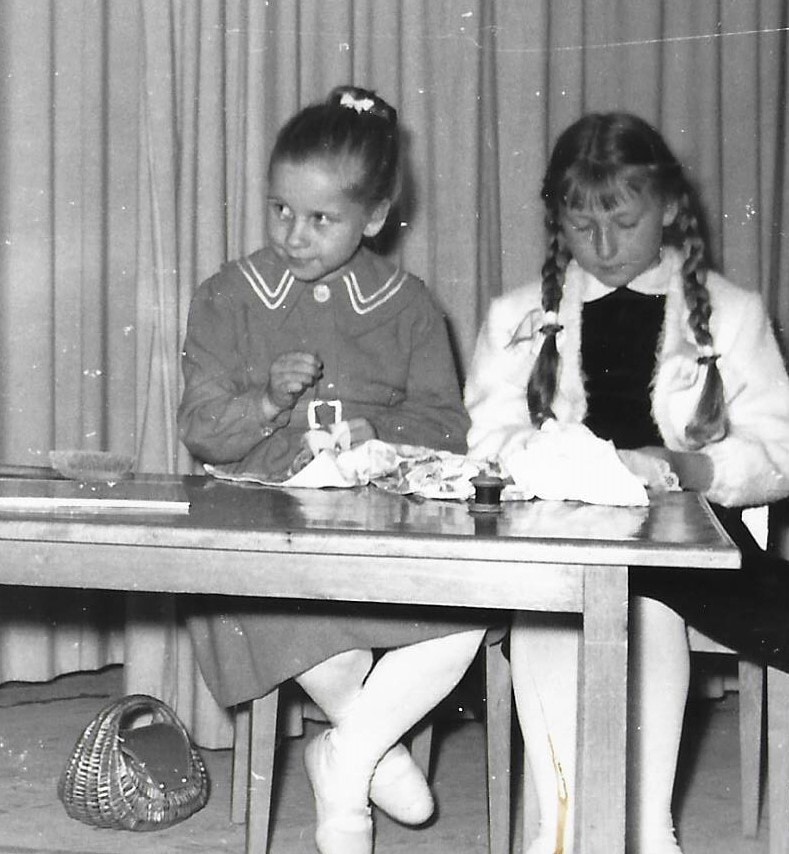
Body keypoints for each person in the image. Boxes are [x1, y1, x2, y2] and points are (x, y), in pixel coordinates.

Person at [465, 112, 789, 854]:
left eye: (622, 221)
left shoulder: (733, 315)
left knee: (631, 600)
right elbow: (487, 440)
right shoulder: (516, 317)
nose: (603, 247)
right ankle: (566, 830)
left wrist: (688, 467)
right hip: (562, 534)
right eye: (581, 226)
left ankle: (640, 827)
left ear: (669, 208)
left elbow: (775, 451)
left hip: (691, 539)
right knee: (570, 601)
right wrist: (573, 462)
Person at [177, 84, 488, 854]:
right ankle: (361, 760)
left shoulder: (408, 306)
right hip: (264, 529)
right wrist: (263, 402)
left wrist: (375, 426)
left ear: (374, 217)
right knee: (293, 613)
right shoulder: (226, 296)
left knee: (468, 616)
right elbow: (200, 433)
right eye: (280, 209)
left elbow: (449, 428)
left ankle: (344, 756)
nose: (294, 234)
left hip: (379, 522)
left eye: (322, 218)